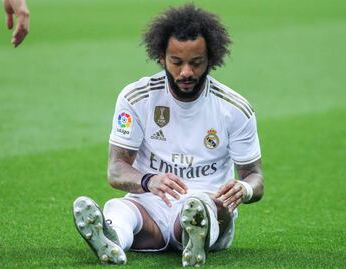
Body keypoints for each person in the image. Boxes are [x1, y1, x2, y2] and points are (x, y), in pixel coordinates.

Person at [72, 3, 264, 267]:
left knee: (204, 207)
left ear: (211, 58)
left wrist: (243, 189)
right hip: (150, 204)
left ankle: (194, 233)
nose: (186, 72)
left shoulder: (234, 108)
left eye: (196, 63)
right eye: (177, 62)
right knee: (121, 210)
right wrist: (150, 180)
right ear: (161, 57)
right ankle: (112, 237)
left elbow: (255, 177)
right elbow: (116, 170)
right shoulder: (136, 98)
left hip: (209, 202)